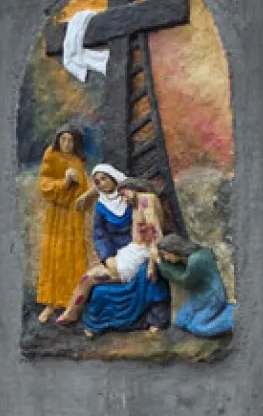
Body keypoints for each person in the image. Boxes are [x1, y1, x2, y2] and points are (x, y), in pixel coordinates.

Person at [56, 182, 170, 334]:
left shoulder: (145, 200)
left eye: (124, 194)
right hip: (131, 252)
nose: (123, 199)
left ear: (133, 188)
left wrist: (151, 264)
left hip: (138, 256)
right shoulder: (137, 203)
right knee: (88, 277)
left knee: (89, 278)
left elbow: (156, 235)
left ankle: (72, 312)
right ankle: (72, 311)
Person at [33, 126, 90, 323]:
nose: (67, 144)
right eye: (63, 139)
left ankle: (72, 302)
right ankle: (50, 303)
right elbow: (44, 184)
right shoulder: (51, 155)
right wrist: (64, 183)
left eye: (71, 140)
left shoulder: (78, 161)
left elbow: (83, 188)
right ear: (58, 140)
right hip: (57, 216)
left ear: (76, 143)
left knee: (72, 257)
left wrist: (80, 185)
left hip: (73, 216)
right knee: (54, 255)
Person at [155, 234, 235, 337]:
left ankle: (231, 315)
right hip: (199, 296)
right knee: (180, 320)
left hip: (212, 297)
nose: (166, 258)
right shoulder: (191, 255)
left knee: (197, 327)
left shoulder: (196, 260)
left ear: (174, 250)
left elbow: (186, 282)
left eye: (166, 254)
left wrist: (160, 263)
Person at [78, 162, 133, 264]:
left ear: (112, 177)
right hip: (117, 251)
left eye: (104, 179)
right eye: (98, 182)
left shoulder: (129, 196)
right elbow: (100, 235)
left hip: (139, 245)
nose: (102, 184)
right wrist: (107, 257)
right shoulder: (101, 206)